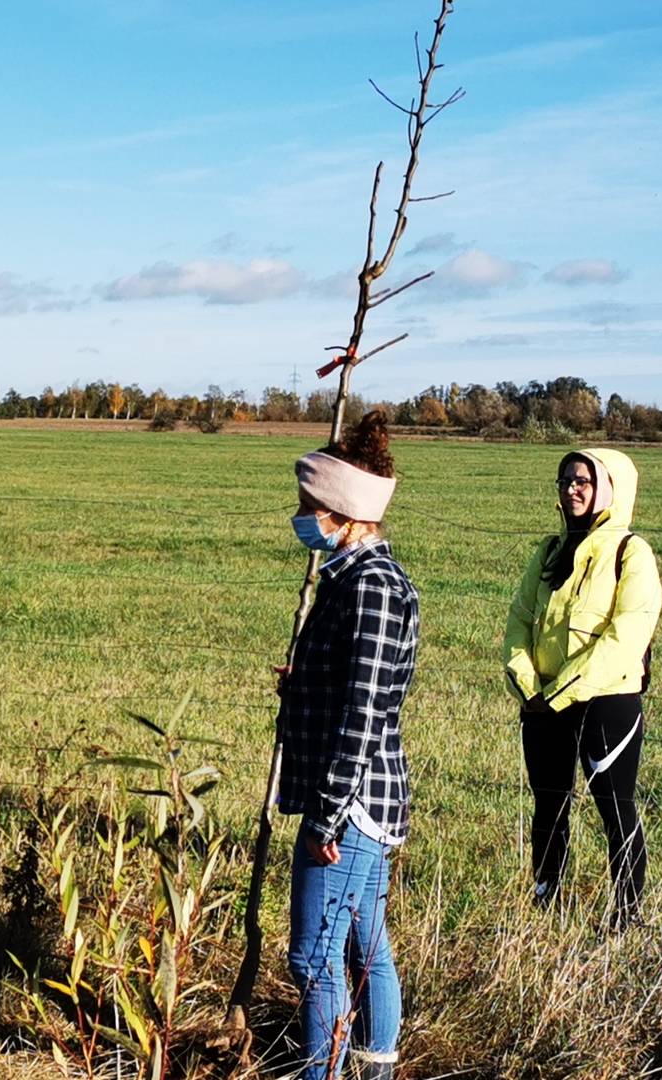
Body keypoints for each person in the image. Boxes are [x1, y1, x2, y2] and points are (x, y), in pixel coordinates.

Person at [276, 410, 418, 1080]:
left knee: (313, 956)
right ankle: (374, 1067)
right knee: (364, 943)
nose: (302, 517)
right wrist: (303, 684)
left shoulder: (372, 589)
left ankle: (322, 1074)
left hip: (353, 801)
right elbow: (352, 685)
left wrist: (326, 815)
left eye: (311, 505)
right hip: (362, 795)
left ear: (346, 511)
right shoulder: (357, 580)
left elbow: (364, 714)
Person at [503, 448, 662, 931]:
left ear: (610, 490)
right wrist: (531, 686)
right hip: (543, 702)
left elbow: (626, 635)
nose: (571, 489)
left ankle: (627, 916)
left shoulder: (631, 552)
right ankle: (546, 903)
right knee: (548, 805)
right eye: (565, 480)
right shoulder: (548, 552)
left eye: (583, 482)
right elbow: (518, 623)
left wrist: (564, 690)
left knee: (616, 810)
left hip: (606, 702)